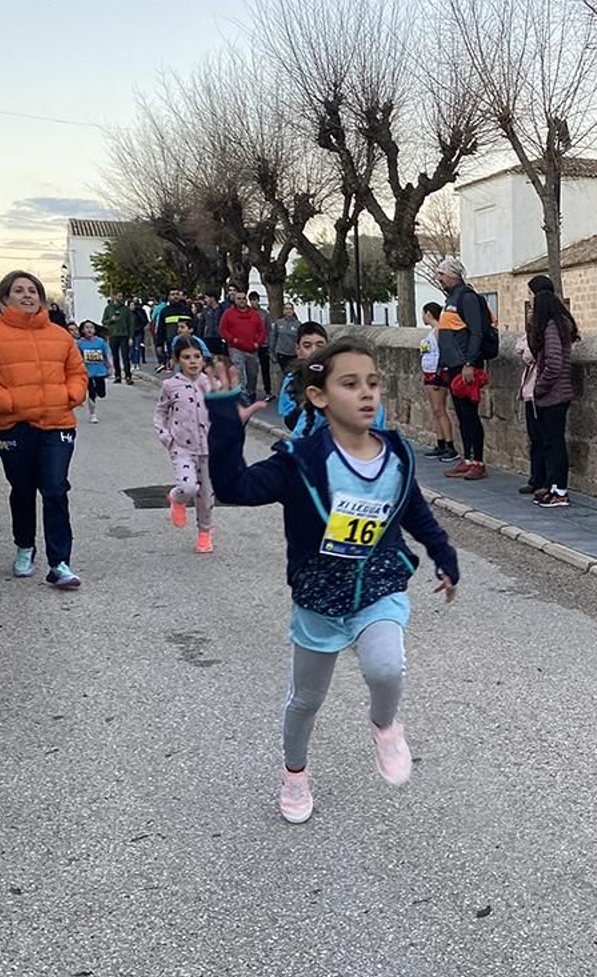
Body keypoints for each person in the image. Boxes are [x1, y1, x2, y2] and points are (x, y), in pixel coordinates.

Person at [205, 338, 461, 825]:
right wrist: (224, 424)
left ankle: (385, 726)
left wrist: (443, 555)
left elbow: (413, 510)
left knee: (386, 667)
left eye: (373, 383)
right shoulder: (300, 460)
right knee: (306, 700)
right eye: (350, 384)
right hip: (319, 600)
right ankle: (294, 775)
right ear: (319, 396)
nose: (366, 393)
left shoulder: (396, 454)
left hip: (378, 586)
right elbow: (234, 488)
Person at [0, 270, 89, 590]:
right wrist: (6, 401)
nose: (27, 295)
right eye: (19, 290)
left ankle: (60, 563)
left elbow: (77, 373)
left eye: (32, 290)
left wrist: (71, 395)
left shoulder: (60, 336)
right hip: (13, 425)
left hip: (57, 424)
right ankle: (24, 546)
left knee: (55, 489)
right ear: (6, 298)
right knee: (22, 489)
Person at [155, 336, 220, 554]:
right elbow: (160, 413)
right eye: (186, 357)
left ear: (203, 358)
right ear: (177, 360)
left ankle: (204, 533)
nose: (192, 361)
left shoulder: (212, 384)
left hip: (209, 449)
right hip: (182, 447)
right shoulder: (170, 385)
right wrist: (166, 437)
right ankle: (176, 498)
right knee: (189, 487)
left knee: (206, 494)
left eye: (196, 356)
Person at [521, 275, 579, 508]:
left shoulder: (553, 326)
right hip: (554, 393)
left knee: (555, 443)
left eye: (530, 295)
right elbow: (537, 350)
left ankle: (560, 491)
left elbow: (553, 362)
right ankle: (554, 487)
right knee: (550, 442)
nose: (529, 299)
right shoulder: (554, 323)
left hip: (554, 394)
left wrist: (540, 386)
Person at [434, 257, 492, 481]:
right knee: (462, 415)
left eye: (441, 274)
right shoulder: (451, 298)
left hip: (465, 366)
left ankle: (478, 462)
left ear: (453, 275)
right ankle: (467, 459)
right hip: (452, 365)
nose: (439, 278)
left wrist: (470, 362)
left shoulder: (467, 298)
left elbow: (476, 332)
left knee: (470, 415)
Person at [277, 320, 329, 436]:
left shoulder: (337, 374)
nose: (314, 351)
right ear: (298, 349)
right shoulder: (292, 379)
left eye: (320, 345)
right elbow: (288, 418)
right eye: (307, 346)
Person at [419, 303, 456, 461]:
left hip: (437, 374)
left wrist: (439, 375)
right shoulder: (433, 332)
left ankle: (450, 446)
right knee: (435, 410)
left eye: (423, 313)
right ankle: (440, 443)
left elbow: (443, 352)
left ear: (429, 313)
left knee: (440, 409)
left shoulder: (439, 331)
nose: (422, 317)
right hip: (429, 373)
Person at [220, 290, 267, 400]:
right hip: (236, 348)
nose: (241, 301)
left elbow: (262, 330)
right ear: (235, 300)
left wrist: (258, 343)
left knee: (253, 373)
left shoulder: (254, 315)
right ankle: (241, 395)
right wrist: (232, 340)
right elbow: (223, 329)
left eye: (243, 298)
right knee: (238, 372)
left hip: (252, 348)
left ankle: (251, 392)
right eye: (239, 299)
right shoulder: (228, 313)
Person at [77, 320, 110, 424]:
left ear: (95, 330)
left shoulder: (100, 342)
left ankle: (96, 394)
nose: (89, 330)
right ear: (82, 330)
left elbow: (106, 356)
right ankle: (92, 414)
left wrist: (110, 367)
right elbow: (76, 358)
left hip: (100, 371)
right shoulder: (79, 343)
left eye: (91, 327)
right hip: (87, 372)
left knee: (102, 393)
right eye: (86, 328)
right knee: (91, 392)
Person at [100, 292, 132, 384]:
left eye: (121, 296)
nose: (120, 298)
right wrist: (111, 320)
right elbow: (104, 321)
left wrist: (131, 337)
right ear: (114, 296)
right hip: (113, 335)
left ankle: (128, 376)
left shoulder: (125, 309)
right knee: (115, 356)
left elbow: (130, 323)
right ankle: (117, 375)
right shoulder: (108, 308)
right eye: (119, 296)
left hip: (124, 335)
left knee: (125, 356)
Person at [270, 301, 300, 392]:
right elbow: (274, 338)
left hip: (293, 354)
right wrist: (272, 353)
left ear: (293, 311)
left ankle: (292, 392)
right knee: (283, 375)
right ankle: (281, 393)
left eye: (290, 309)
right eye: (286, 309)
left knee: (292, 375)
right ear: (283, 311)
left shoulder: (298, 324)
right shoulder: (279, 323)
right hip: (281, 353)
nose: (288, 311)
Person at [250, 292, 273, 394]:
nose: (253, 302)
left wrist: (269, 343)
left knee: (265, 369)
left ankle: (268, 391)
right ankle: (251, 390)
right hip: (251, 345)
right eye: (251, 300)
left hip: (263, 344)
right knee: (251, 369)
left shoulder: (264, 314)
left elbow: (269, 329)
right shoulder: (247, 313)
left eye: (255, 300)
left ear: (258, 300)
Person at [130, 299, 149, 366]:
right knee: (131, 348)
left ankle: (137, 362)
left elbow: (145, 320)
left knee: (137, 347)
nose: (133, 306)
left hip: (139, 332)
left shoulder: (140, 312)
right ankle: (133, 362)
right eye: (131, 305)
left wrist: (140, 327)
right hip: (130, 333)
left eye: (134, 305)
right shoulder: (127, 313)